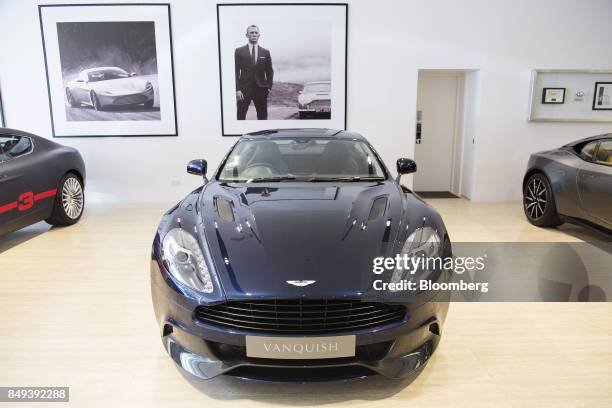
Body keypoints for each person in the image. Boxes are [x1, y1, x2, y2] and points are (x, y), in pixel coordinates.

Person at [235, 25, 273, 120]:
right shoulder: (239, 51)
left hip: (261, 89)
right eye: (251, 32)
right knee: (240, 116)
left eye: (256, 33)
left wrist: (269, 87)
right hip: (244, 90)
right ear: (247, 35)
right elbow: (235, 71)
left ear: (259, 35)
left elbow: (269, 71)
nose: (254, 34)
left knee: (262, 116)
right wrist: (237, 89)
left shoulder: (265, 52)